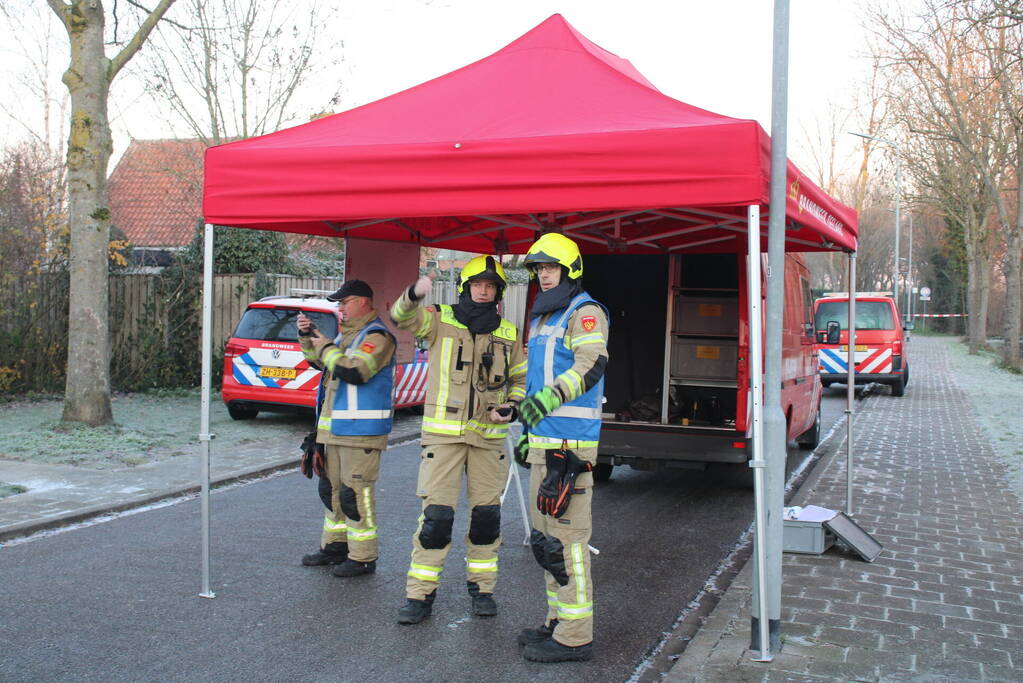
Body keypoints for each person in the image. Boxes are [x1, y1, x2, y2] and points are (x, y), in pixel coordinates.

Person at [390, 255, 527, 624]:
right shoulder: (438, 319)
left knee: (486, 519)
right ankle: (419, 596)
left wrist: (512, 407)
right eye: (478, 285)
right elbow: (400, 319)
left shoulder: (509, 333)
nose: (484, 292)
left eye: (491, 286)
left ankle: (482, 590)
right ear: (466, 288)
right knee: (436, 519)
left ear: (498, 292)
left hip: (488, 439)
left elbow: (520, 380)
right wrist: (413, 295)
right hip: (444, 440)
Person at [514, 233, 609, 663]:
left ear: (570, 270)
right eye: (538, 269)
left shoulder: (585, 312)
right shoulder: (545, 318)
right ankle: (557, 622)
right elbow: (533, 384)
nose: (542, 275)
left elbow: (592, 365)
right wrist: (524, 432)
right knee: (547, 542)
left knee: (568, 544)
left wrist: (550, 399)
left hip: (571, 449)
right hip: (544, 444)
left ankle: (576, 636)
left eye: (550, 268)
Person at [297, 279, 396, 579]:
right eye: (338, 303)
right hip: (334, 432)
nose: (340, 307)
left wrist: (325, 344)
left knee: (355, 495)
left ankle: (363, 557)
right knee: (332, 493)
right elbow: (321, 363)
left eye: (346, 301)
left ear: (365, 302)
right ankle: (335, 547)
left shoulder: (377, 337)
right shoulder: (346, 337)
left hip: (361, 433)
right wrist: (308, 337)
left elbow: (353, 370)